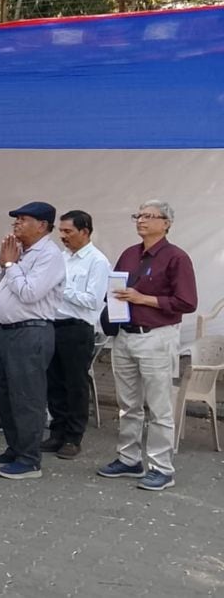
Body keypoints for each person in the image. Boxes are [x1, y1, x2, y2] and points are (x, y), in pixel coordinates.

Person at [97, 200, 197, 492]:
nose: (141, 220)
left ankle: (161, 468)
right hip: (125, 335)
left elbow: (187, 302)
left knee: (158, 406)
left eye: (149, 216)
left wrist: (145, 299)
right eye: (138, 215)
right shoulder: (129, 254)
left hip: (156, 335)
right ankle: (129, 458)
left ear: (166, 223)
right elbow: (114, 289)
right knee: (128, 404)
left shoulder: (177, 257)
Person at [0, 201, 65, 480]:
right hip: (6, 330)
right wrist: (5, 263)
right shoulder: (22, 253)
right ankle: (15, 448)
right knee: (5, 395)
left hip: (31, 331)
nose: (16, 225)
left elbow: (30, 293)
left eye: (23, 220)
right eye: (15, 221)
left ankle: (30, 459)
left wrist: (10, 264)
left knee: (26, 397)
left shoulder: (49, 255)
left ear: (42, 225)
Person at [43, 210, 111, 459]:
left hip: (77, 328)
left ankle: (73, 437)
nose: (63, 236)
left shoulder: (97, 261)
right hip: (54, 324)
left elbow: (92, 300)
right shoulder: (61, 257)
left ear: (85, 231)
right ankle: (56, 433)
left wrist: (62, 290)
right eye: (61, 231)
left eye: (68, 231)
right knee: (55, 383)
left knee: (75, 384)